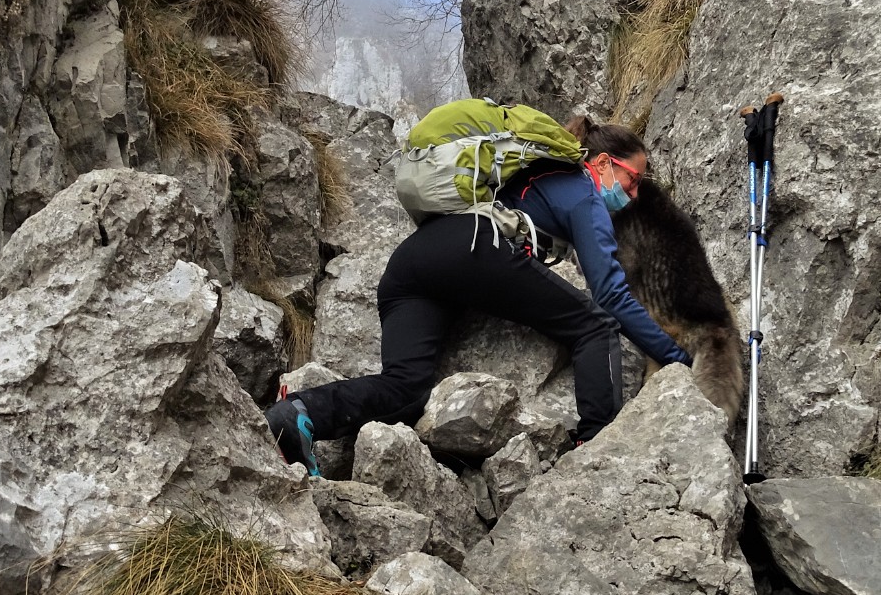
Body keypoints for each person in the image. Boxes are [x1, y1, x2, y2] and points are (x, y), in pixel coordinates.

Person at [266, 115, 693, 475]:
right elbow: (610, 295)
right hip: (475, 246)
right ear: (602, 163)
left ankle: (300, 413)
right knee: (596, 328)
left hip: (412, 263)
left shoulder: (529, 174)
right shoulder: (583, 193)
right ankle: (595, 448)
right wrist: (679, 359)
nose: (634, 194)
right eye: (633, 180)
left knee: (407, 388)